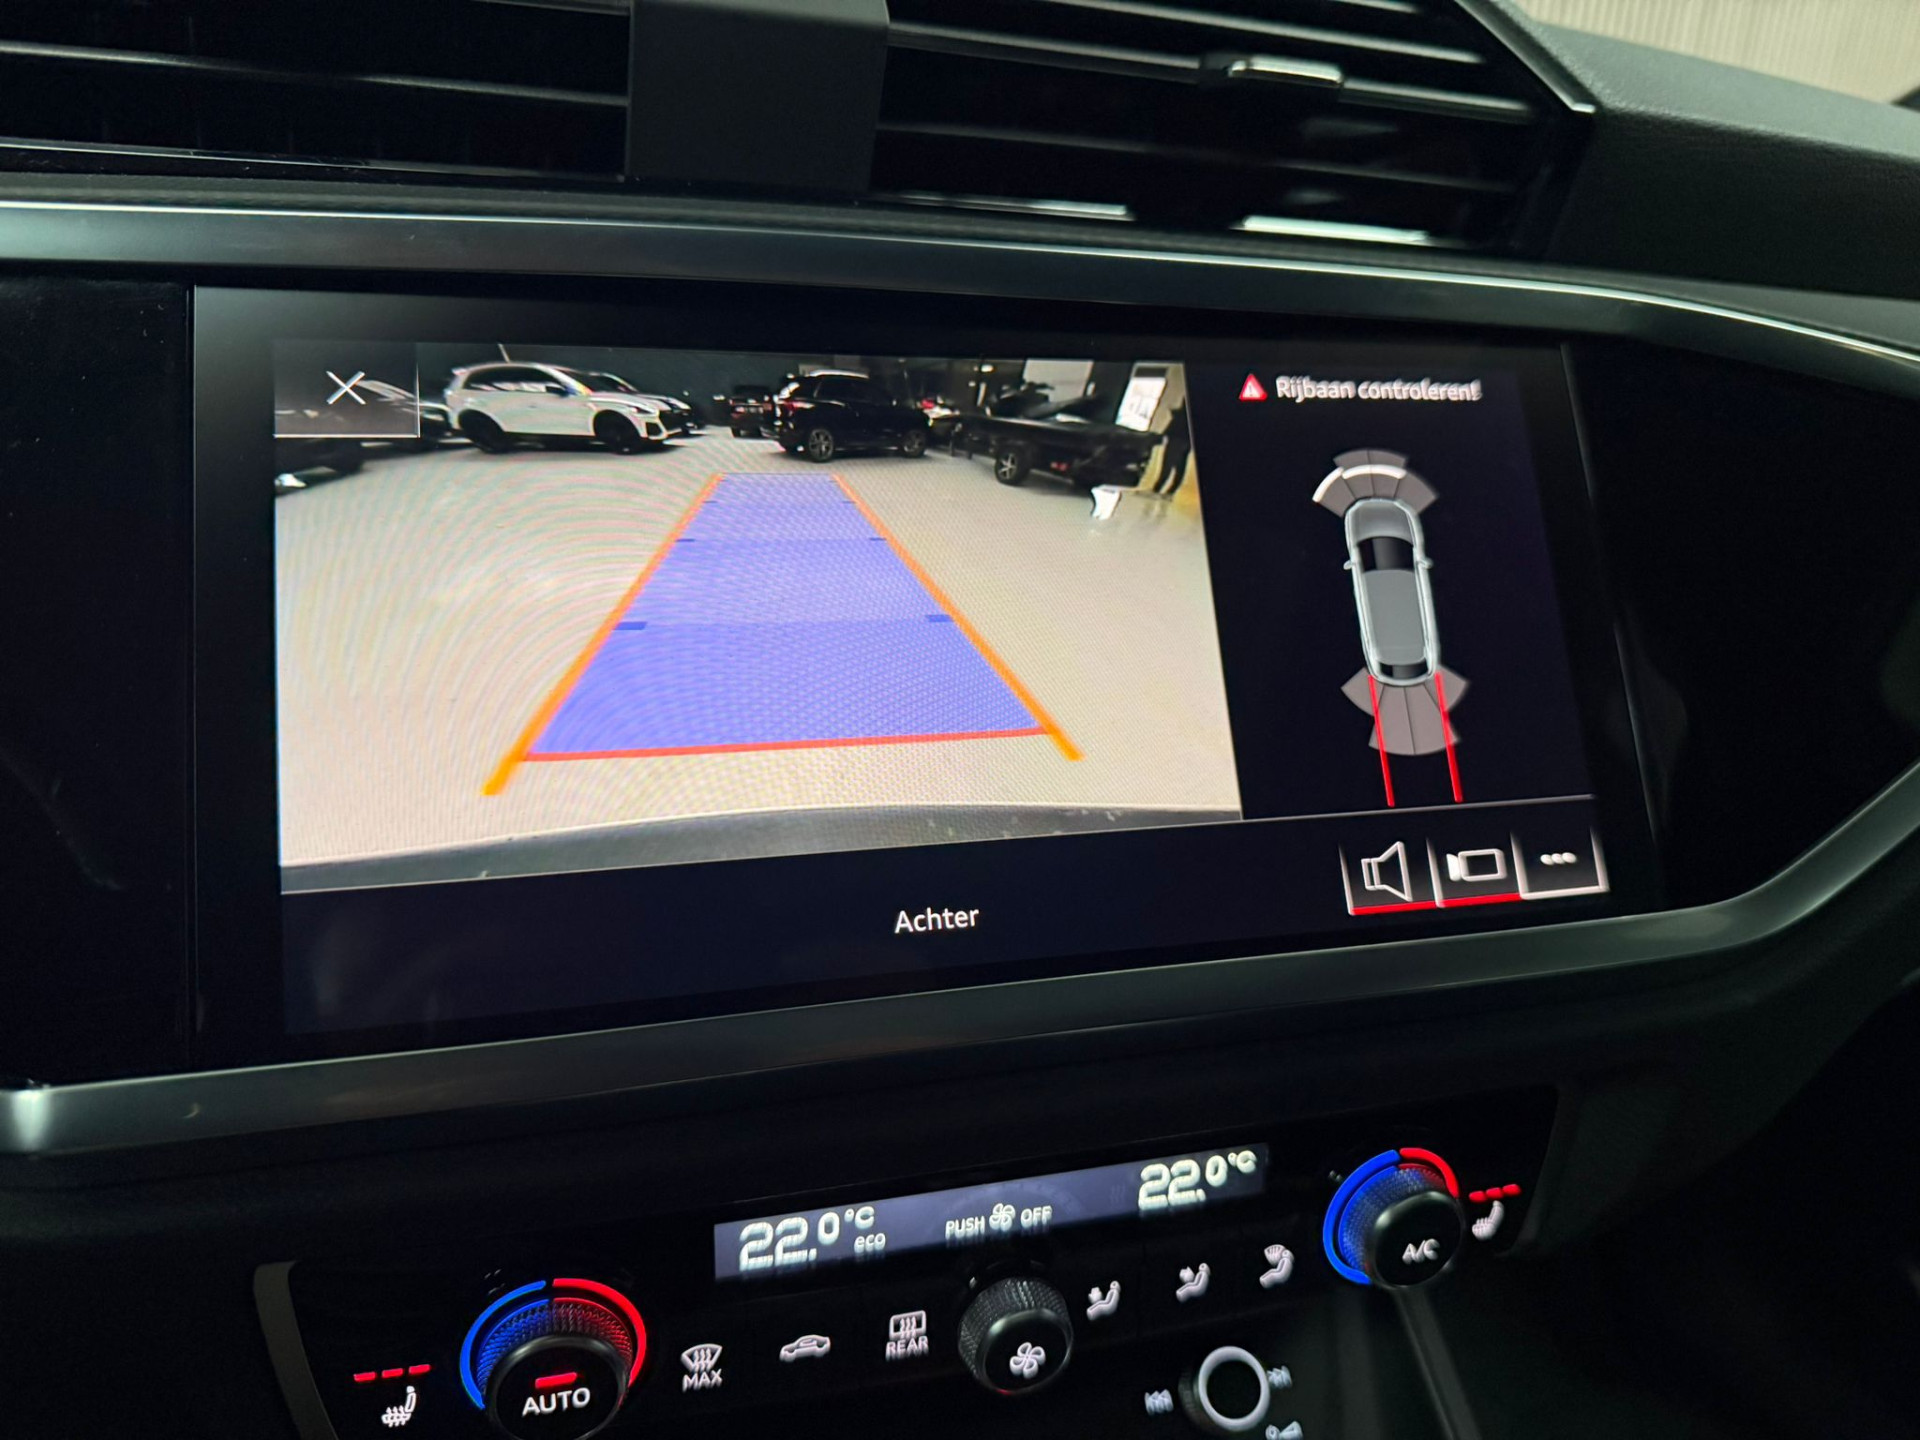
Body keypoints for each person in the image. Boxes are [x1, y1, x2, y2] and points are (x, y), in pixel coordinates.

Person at [1154, 401, 1192, 496]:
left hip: (1178, 438)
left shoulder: (1183, 414)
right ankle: (1171, 491)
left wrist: (1164, 434)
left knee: (1168, 463)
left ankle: (1158, 488)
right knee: (1180, 466)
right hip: (1185, 441)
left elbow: (1178, 421)